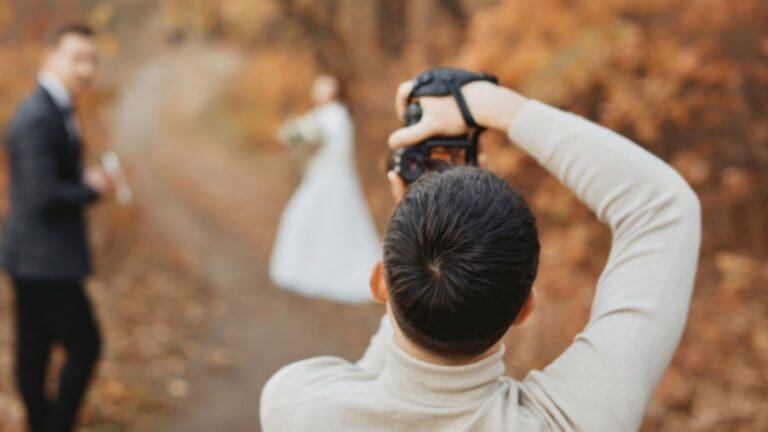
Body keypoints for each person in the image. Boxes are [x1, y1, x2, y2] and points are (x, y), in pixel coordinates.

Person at [260, 69, 701, 431]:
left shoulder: (295, 404)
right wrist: (491, 104)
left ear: (379, 282)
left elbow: (372, 388)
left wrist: (415, 243)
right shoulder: (569, 422)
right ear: (523, 308)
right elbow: (664, 208)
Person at [0, 23, 114, 432]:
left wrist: (81, 180)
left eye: (92, 60)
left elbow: (44, 178)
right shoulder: (37, 115)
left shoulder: (56, 106)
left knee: (34, 350)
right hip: (42, 258)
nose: (86, 68)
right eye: (77, 57)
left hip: (35, 254)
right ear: (49, 56)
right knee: (85, 343)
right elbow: (40, 194)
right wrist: (91, 189)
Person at [269, 75, 381, 303]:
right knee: (305, 218)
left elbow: (337, 151)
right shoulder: (319, 115)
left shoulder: (337, 115)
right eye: (318, 86)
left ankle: (327, 270)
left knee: (323, 220)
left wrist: (309, 144)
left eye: (325, 86)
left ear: (335, 90)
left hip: (332, 178)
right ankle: (305, 266)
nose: (319, 90)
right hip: (319, 176)